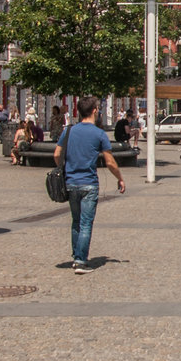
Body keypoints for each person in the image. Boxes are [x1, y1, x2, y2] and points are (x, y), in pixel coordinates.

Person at [53, 96, 124, 273]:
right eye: (98, 109)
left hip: (71, 182)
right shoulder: (99, 134)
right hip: (89, 184)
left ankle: (76, 255)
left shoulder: (68, 131)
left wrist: (65, 167)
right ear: (94, 111)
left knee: (76, 221)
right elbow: (110, 162)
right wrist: (120, 178)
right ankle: (81, 260)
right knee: (85, 223)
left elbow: (56, 154)